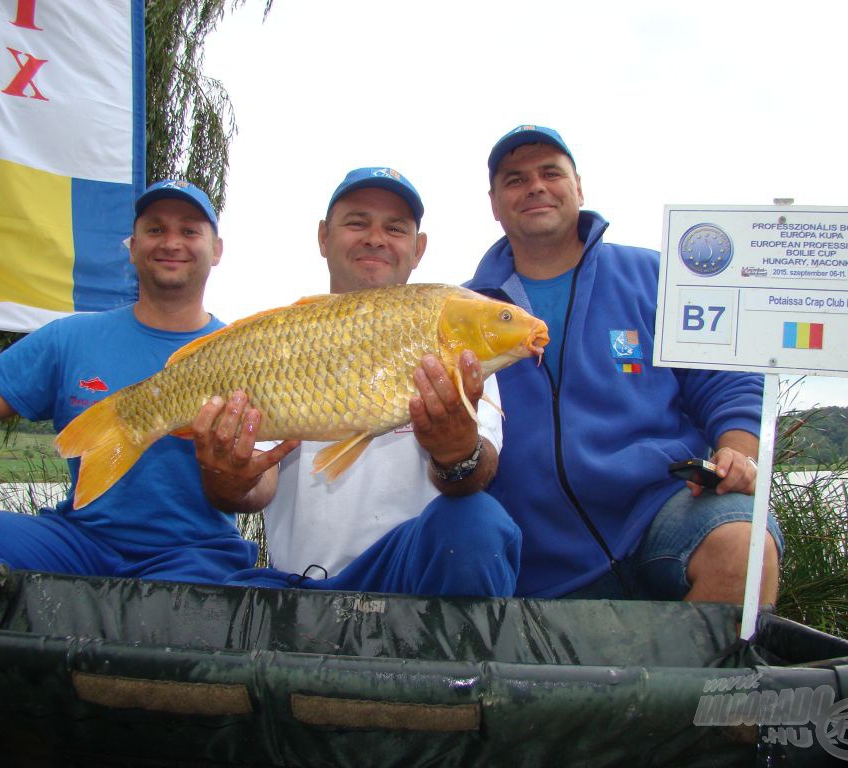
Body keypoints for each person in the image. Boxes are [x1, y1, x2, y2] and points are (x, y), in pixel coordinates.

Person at [0, 179, 296, 584]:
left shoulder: (253, 350)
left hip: (195, 551)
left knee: (187, 611)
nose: (171, 242)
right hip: (78, 542)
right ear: (132, 247)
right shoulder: (69, 338)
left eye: (189, 230)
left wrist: (239, 478)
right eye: (155, 229)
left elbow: (263, 485)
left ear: (216, 249)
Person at [466, 125, 784, 603]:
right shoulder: (461, 310)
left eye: (551, 172)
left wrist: (739, 453)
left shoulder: (656, 275)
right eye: (514, 179)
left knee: (745, 544)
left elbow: (727, 379)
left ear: (578, 187)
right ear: (493, 203)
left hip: (662, 512)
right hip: (530, 553)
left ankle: (698, 682)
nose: (535, 186)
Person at [227, 167, 521, 597]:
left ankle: (454, 662)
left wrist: (456, 453)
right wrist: (229, 477)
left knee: (479, 521)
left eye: (395, 228)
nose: (375, 238)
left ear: (418, 248)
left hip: (410, 572)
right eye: (357, 222)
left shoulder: (457, 344)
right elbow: (256, 482)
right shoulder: (279, 343)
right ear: (324, 237)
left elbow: (479, 471)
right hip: (302, 582)